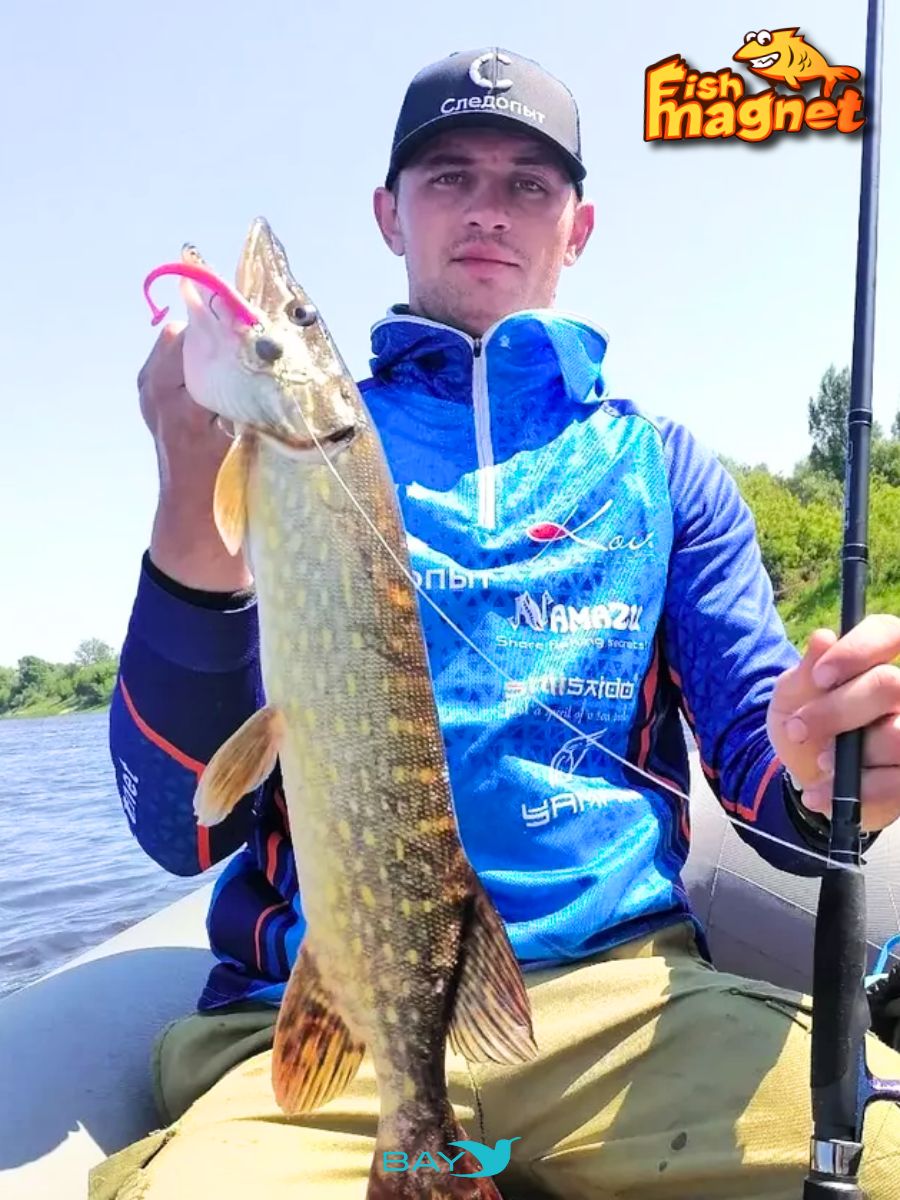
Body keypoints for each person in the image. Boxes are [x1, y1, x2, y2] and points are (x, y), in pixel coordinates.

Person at [91, 47, 900, 1200]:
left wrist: (825, 763)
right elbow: (179, 828)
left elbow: (768, 780)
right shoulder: (285, 460)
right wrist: (188, 486)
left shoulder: (662, 468)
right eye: (449, 176)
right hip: (318, 1027)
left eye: (528, 182)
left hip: (628, 1006)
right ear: (389, 213)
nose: (487, 208)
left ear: (578, 227)